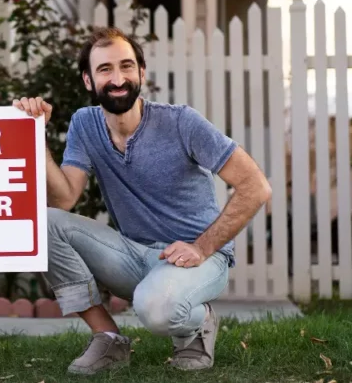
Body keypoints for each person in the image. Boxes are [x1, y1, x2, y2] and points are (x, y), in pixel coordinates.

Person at [13, 27, 271, 375]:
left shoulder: (181, 122)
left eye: (126, 66)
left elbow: (255, 187)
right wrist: (34, 135)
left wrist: (203, 246)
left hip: (196, 260)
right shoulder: (84, 124)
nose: (118, 78)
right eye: (105, 69)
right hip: (133, 254)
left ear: (141, 73)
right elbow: (64, 200)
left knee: (157, 310)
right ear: (88, 80)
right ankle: (107, 337)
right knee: (42, 222)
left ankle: (199, 321)